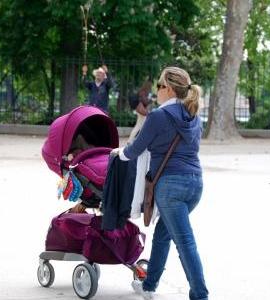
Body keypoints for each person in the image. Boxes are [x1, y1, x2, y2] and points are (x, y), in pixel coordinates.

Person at [111, 66, 208, 300]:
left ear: (169, 89)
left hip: (170, 187)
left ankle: (200, 295)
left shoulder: (158, 116)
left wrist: (119, 153)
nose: (156, 91)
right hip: (195, 184)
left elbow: (136, 148)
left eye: (159, 86)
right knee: (164, 233)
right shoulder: (193, 116)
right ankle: (149, 285)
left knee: (185, 242)